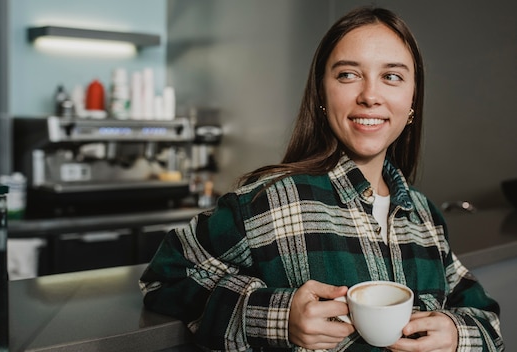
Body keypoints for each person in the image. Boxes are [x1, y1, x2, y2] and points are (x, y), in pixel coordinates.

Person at [139, 6, 504, 352]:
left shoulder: (424, 215)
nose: (370, 96)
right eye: (348, 74)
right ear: (322, 94)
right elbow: (164, 280)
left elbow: (485, 315)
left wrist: (457, 334)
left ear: (413, 101)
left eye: (391, 76)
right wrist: (277, 317)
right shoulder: (266, 201)